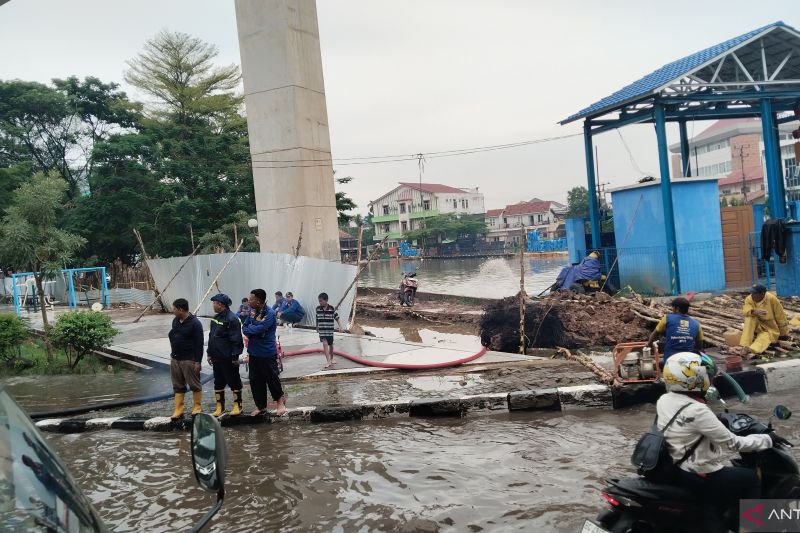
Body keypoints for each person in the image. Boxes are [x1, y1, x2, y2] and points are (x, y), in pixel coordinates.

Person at [658, 352, 785, 532]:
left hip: (678, 466)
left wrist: (718, 419)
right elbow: (734, 444)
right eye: (706, 375)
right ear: (693, 378)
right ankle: (749, 528)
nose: (710, 379)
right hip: (698, 474)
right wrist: (768, 439)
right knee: (750, 479)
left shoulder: (665, 400)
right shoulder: (698, 410)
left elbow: (685, 424)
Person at [241, 289, 287, 416]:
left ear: (259, 301)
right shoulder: (252, 312)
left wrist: (253, 329)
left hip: (266, 353)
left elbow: (261, 328)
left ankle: (280, 403)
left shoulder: (270, 314)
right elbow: (245, 328)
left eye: (251, 299)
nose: (249, 301)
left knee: (272, 379)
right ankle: (261, 406)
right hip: (254, 352)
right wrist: (253, 329)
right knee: (255, 380)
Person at [207, 293, 244, 417]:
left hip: (228, 357)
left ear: (221, 304)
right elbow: (211, 337)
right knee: (218, 382)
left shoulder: (232, 319)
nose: (213, 305)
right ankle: (220, 407)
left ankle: (238, 405)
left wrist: (235, 356)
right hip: (216, 356)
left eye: (215, 303)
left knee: (233, 381)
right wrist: (209, 353)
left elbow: (237, 339)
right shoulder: (215, 318)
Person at [167, 298, 204, 419]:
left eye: (174, 309)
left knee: (194, 384)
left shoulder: (195, 324)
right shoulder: (176, 321)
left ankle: (197, 407)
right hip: (176, 358)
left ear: (181, 309)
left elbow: (199, 344)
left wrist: (198, 361)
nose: (173, 311)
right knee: (177, 385)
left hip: (189, 359)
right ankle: (179, 409)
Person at [647, 297, 704, 366]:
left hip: (670, 359)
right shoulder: (696, 324)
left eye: (673, 308)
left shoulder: (667, 318)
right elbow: (699, 344)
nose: (672, 310)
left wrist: (649, 344)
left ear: (677, 308)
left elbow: (655, 333)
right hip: (689, 361)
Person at [739, 284, 789, 355]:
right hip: (755, 325)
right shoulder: (749, 298)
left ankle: (751, 349)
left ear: (762, 294)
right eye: (751, 293)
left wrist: (783, 333)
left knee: (766, 337)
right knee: (749, 317)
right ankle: (745, 344)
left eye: (754, 293)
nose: (752, 295)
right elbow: (746, 310)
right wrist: (753, 311)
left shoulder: (772, 299)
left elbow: (780, 316)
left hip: (769, 327)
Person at [316, 292, 343, 369]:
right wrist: (317, 326)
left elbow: (337, 318)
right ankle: (328, 361)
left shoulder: (331, 309)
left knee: (330, 345)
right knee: (325, 343)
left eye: (321, 301)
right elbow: (317, 318)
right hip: (322, 330)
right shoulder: (318, 309)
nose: (320, 302)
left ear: (326, 300)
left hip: (330, 330)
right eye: (319, 301)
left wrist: (340, 326)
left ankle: (331, 358)